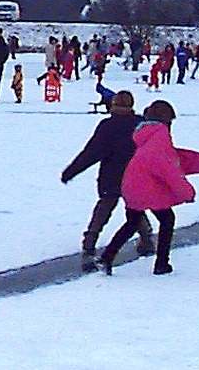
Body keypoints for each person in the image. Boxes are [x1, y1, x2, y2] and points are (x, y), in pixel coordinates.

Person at [97, 100, 199, 276]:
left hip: (130, 183)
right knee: (167, 220)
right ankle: (161, 264)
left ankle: (107, 257)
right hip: (147, 187)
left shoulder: (145, 133)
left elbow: (169, 156)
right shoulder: (160, 135)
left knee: (132, 222)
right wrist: (186, 191)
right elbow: (165, 166)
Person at [61, 91, 156, 271]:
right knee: (136, 209)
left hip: (111, 177)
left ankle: (89, 245)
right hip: (135, 176)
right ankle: (146, 240)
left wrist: (71, 171)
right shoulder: (140, 124)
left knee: (103, 211)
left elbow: (91, 152)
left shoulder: (107, 126)